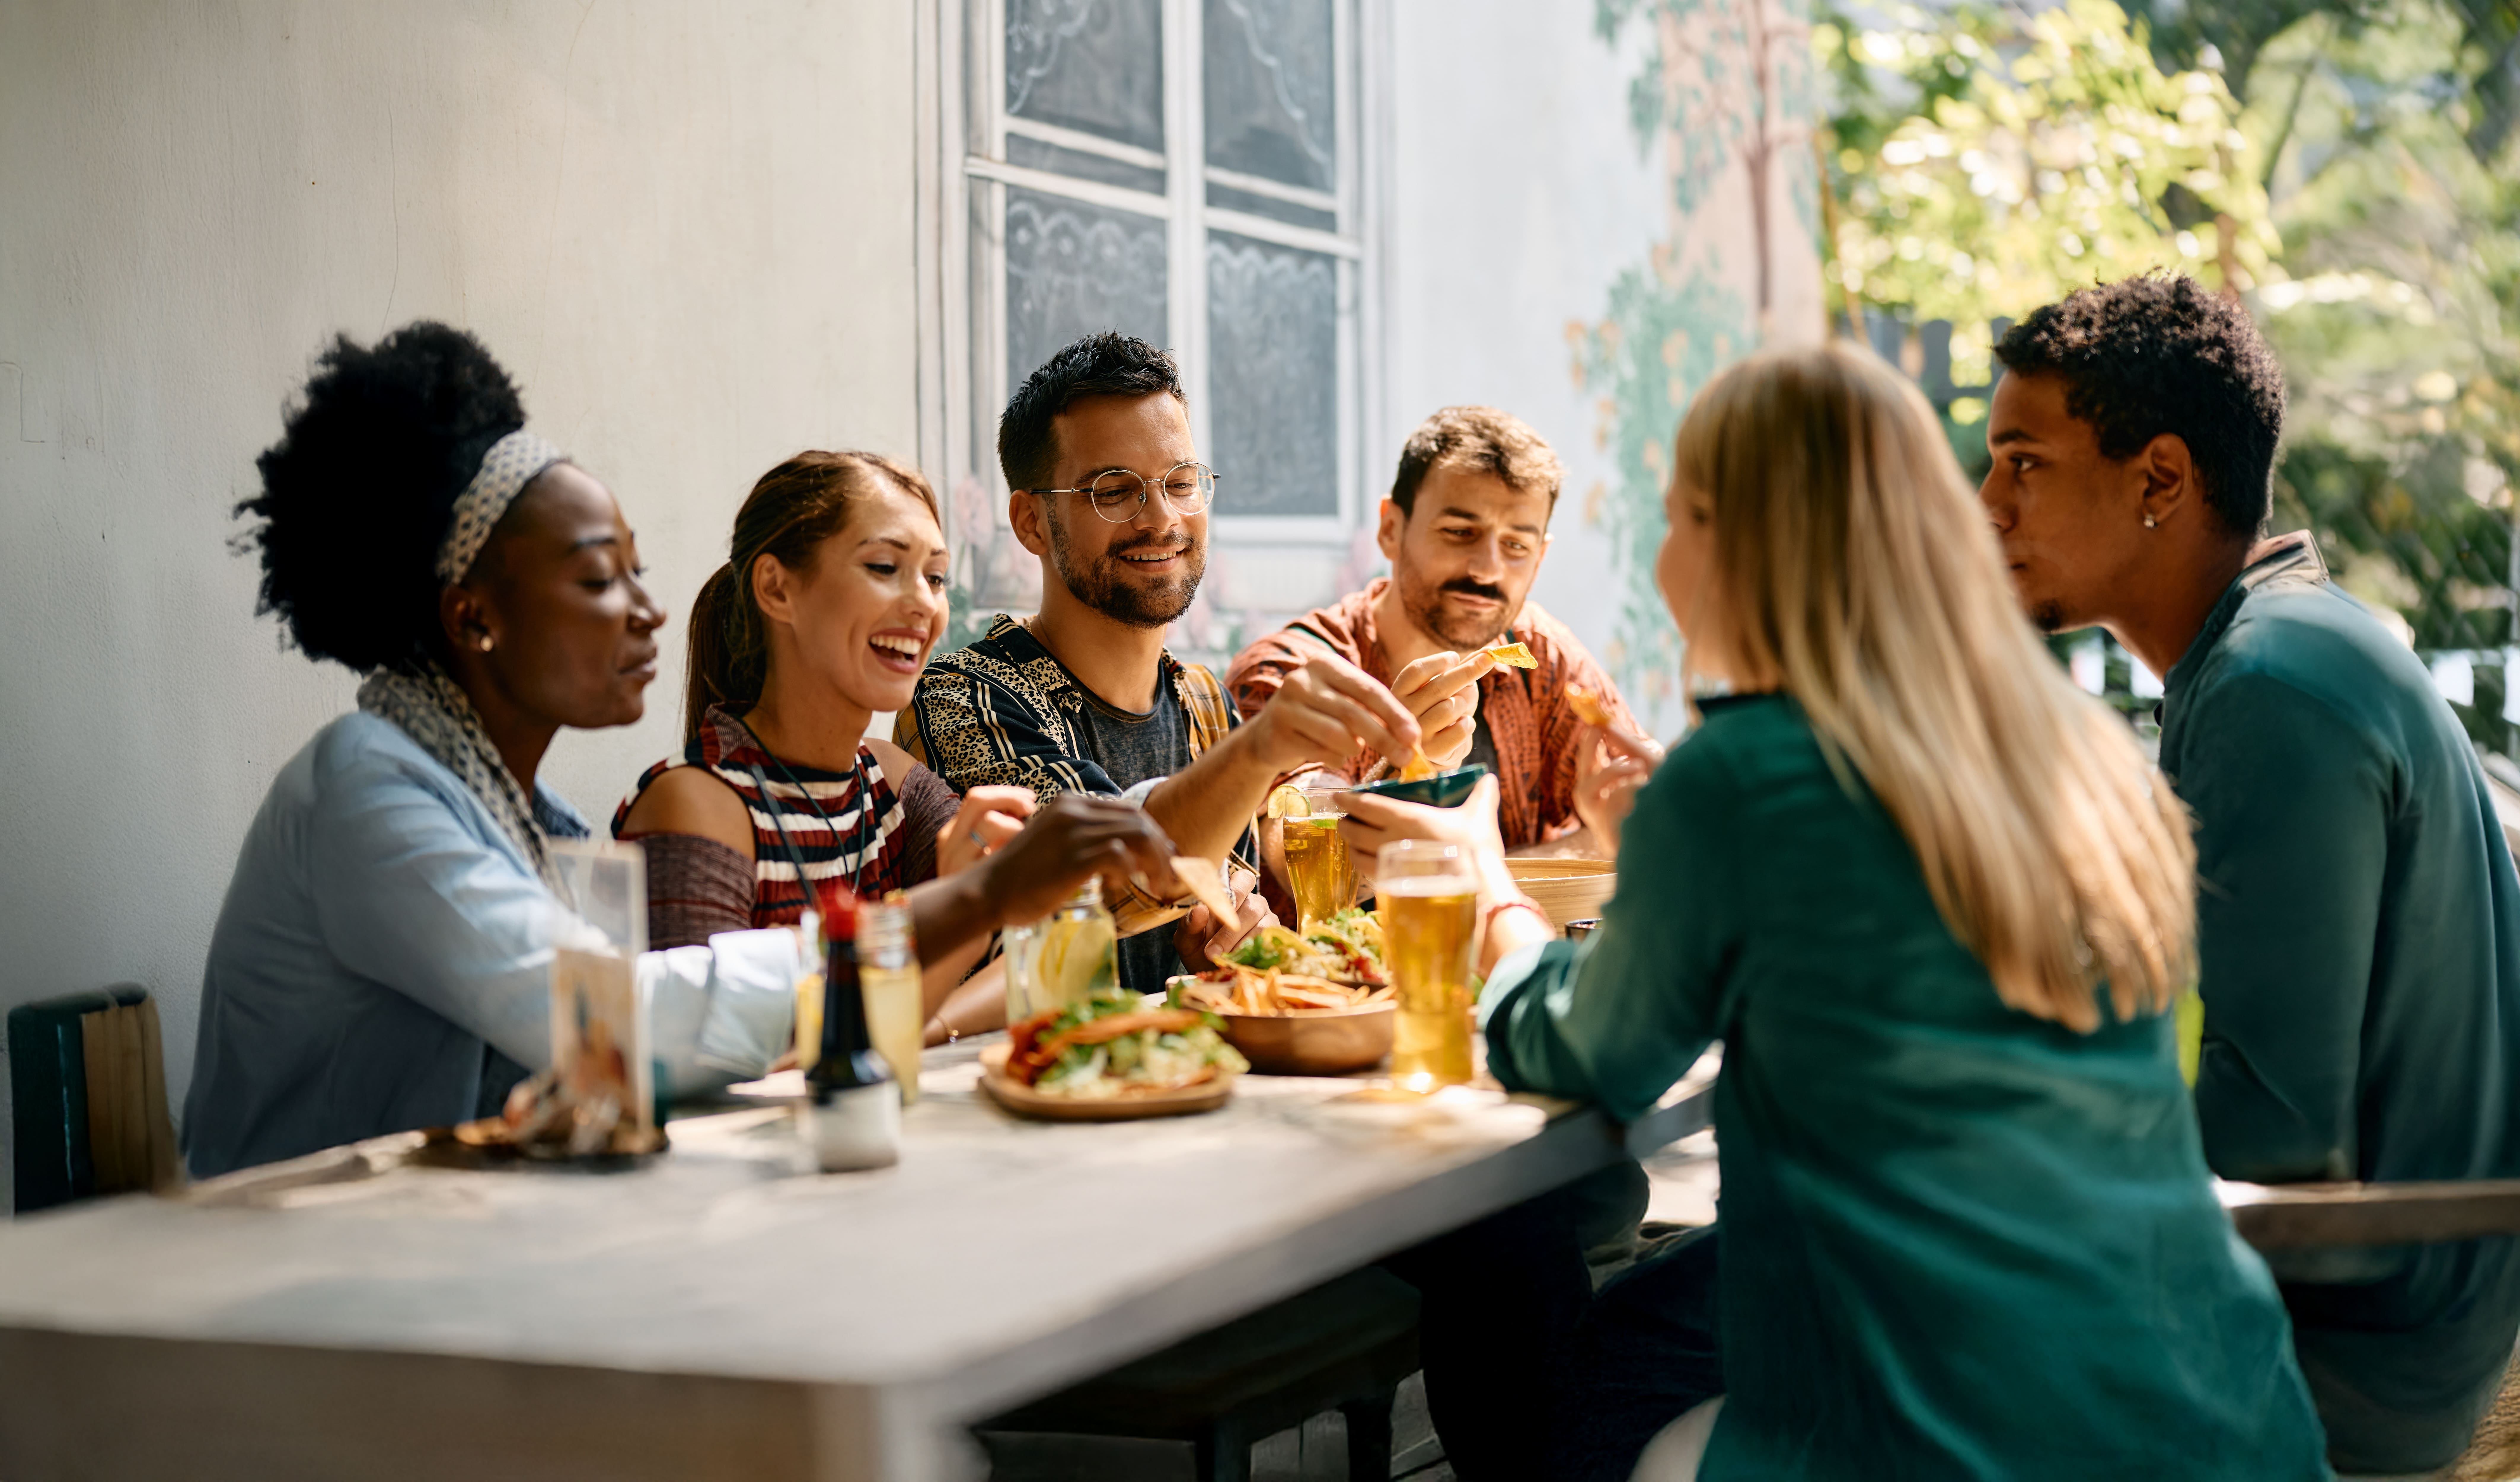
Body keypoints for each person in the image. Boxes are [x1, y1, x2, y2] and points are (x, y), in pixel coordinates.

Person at [1342, 342, 2328, 1481]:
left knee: (1533, 1397)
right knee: (1646, 1314)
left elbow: (1585, 1061)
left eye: (1675, 521)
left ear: (1736, 544)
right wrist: (1652, 849)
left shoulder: (1751, 773)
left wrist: (1486, 887)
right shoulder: (2075, 755)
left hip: (1947, 1426)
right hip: (2208, 1399)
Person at [1982, 272, 2520, 1477]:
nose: (1987, 505)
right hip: (2385, 1311)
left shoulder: (2271, 690)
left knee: (1693, 1326)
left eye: (2022, 463)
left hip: (2352, 1359)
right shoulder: (2283, 645)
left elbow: (2273, 1129)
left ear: (2160, 479)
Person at [187, 323, 801, 1178]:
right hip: (297, 1277)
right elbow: (619, 1033)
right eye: (597, 580)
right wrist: (927, 922)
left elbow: (601, 1093)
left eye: (637, 570)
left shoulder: (539, 823)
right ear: (473, 616)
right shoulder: (362, 792)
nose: (647, 611)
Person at [898, 331, 1424, 1001]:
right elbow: (1083, 891)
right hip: (1025, 1086)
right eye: (1114, 491)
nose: (1162, 519)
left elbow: (1249, 901)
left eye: (1181, 483)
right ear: (1030, 522)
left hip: (1187, 1078)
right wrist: (1261, 748)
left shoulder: (1205, 700)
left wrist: (1236, 926)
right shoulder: (963, 697)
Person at [612, 450, 1179, 1022]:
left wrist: (989, 908)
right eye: (885, 568)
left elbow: (1036, 956)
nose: (924, 605)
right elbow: (701, 1059)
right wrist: (969, 911)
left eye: (935, 577)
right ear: (777, 589)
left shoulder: (890, 782)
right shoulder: (694, 805)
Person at [1226, 405, 1640, 850]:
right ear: (1390, 530)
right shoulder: (1296, 672)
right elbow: (1296, 854)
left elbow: (1645, 823)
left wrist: (1493, 884)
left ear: (1539, 559)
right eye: (1460, 532)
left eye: (1517, 545)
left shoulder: (1542, 656)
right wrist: (1401, 765)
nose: (1487, 570)